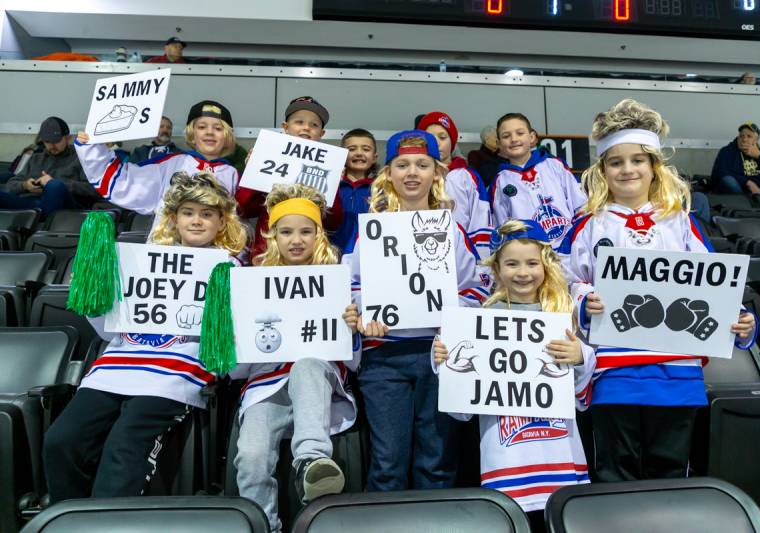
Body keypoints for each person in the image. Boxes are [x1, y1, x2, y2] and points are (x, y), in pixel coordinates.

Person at [559, 99, 757, 482]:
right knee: (616, 475)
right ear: (602, 171)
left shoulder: (680, 221)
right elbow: (564, 283)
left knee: (670, 474)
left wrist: (742, 322)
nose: (627, 168)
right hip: (612, 372)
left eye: (637, 160)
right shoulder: (588, 224)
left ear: (654, 167)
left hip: (677, 373)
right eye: (616, 162)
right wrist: (584, 302)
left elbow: (715, 281)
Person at [42, 171, 247, 502]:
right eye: (188, 213)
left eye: (207, 214)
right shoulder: (138, 259)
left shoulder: (229, 268)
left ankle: (109, 523)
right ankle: (71, 517)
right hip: (115, 369)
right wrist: (96, 297)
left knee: (125, 445)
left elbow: (228, 345)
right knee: (61, 441)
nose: (197, 221)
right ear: (174, 218)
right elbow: (109, 330)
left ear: (222, 222)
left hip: (175, 374)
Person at [342, 130, 490, 491]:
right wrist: (360, 315)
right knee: (388, 463)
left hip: (439, 355)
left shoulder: (451, 230)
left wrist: (448, 309)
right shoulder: (371, 231)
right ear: (388, 173)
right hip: (384, 358)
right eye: (402, 165)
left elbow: (477, 288)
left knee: (437, 462)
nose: (412, 173)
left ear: (436, 173)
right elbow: (351, 284)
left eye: (422, 165)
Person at [434, 219, 594, 531]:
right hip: (507, 460)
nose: (523, 272)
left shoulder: (561, 314)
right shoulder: (478, 321)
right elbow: (461, 410)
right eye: (512, 263)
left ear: (546, 264)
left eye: (532, 263)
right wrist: (444, 363)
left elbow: (581, 395)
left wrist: (580, 357)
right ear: (496, 269)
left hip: (559, 454)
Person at [231, 184, 359, 533]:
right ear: (272, 236)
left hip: (319, 379)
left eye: (306, 231)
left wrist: (353, 329)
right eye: (286, 232)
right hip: (265, 385)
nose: (296, 240)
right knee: (251, 457)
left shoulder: (339, 280)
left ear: (319, 235)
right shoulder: (252, 283)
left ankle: (312, 461)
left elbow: (353, 362)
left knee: (306, 364)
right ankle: (264, 527)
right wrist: (237, 336)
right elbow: (236, 371)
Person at [75, 100, 239, 234]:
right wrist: (93, 147)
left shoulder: (233, 174)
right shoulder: (170, 163)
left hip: (213, 261)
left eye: (218, 128)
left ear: (227, 136)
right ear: (192, 134)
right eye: (202, 127)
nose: (209, 132)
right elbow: (120, 181)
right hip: (166, 257)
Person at [236, 96, 342, 260]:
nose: (306, 128)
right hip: (267, 254)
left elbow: (334, 221)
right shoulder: (268, 155)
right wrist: (253, 169)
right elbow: (244, 208)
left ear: (322, 133)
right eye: (299, 122)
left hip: (309, 256)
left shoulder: (328, 166)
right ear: (285, 127)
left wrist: (334, 186)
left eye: (314, 125)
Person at [491, 113, 586, 247]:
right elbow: (502, 227)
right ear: (499, 144)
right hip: (530, 257)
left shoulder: (555, 165)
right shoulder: (500, 181)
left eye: (520, 133)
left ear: (532, 137)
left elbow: (580, 205)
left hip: (569, 252)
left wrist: (578, 241)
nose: (514, 139)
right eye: (506, 136)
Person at [418, 111, 493, 258]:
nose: (437, 143)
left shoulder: (467, 176)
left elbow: (481, 218)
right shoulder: (413, 177)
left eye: (442, 137)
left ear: (452, 141)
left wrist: (481, 261)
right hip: (425, 257)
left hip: (464, 259)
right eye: (430, 138)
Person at [0, 117, 102, 215]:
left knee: (55, 186)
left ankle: (39, 216)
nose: (52, 146)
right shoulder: (36, 158)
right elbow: (10, 184)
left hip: (64, 206)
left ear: (68, 138)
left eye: (56, 141)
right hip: (31, 204)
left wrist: (56, 183)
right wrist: (25, 186)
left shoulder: (81, 157)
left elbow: (94, 190)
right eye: (47, 142)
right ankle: (37, 215)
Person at [711, 122, 760, 196]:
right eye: (741, 136)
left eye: (749, 136)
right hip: (738, 191)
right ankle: (743, 205)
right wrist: (747, 182)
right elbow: (720, 172)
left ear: (756, 140)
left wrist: (759, 156)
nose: (744, 139)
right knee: (728, 180)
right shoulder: (727, 151)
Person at [331, 128, 378, 250]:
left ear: (374, 157)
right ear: (342, 154)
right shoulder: (332, 186)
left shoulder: (380, 189)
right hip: (331, 255)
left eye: (366, 149)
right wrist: (334, 183)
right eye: (352, 149)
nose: (359, 153)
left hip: (368, 255)